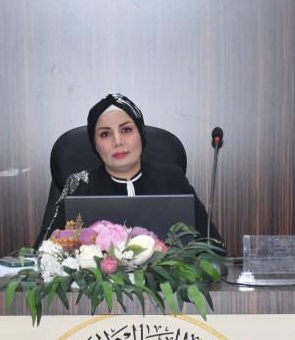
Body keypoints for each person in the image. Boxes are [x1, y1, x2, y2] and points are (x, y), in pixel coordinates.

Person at [35, 93, 220, 247]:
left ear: (141, 134)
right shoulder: (78, 184)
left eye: (126, 130)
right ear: (96, 146)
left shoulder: (173, 179)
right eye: (105, 134)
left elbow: (214, 248)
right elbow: (44, 252)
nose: (117, 141)